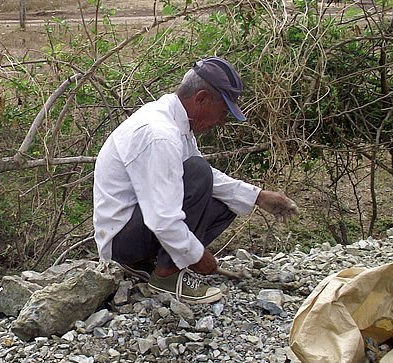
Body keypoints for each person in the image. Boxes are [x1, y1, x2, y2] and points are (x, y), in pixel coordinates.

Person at [93, 57, 299, 304]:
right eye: (223, 112)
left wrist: (258, 196)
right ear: (201, 98)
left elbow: (207, 179)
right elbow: (162, 216)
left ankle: (152, 263)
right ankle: (167, 275)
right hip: (121, 243)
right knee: (198, 172)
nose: (221, 121)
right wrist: (196, 255)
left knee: (227, 200)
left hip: (136, 229)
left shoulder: (177, 123)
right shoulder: (159, 134)